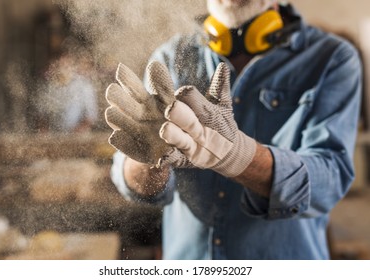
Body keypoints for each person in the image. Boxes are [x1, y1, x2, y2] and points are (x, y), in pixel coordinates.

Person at [106, 0, 362, 259]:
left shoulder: (332, 58)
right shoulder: (172, 57)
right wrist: (147, 159)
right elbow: (133, 181)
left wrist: (238, 156)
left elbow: (330, 182)